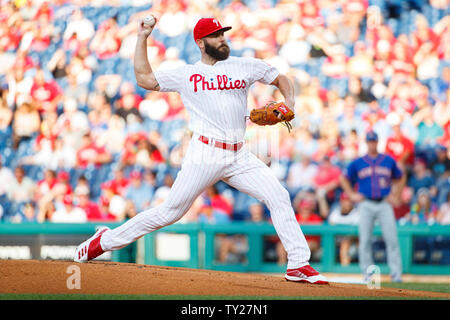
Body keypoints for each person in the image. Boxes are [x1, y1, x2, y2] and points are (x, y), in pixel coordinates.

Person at [74, 16, 328, 284]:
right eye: (216, 35)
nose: (222, 38)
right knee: (169, 212)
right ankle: (105, 241)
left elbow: (280, 78)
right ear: (200, 43)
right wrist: (142, 38)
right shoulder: (187, 74)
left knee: (278, 195)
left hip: (239, 154)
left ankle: (298, 263)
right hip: (205, 153)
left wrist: (289, 101)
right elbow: (145, 79)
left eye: (223, 33)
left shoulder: (244, 66)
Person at [340, 131, 405, 283]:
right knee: (365, 240)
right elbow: (344, 178)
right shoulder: (359, 162)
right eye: (369, 141)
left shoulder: (388, 160)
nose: (372, 144)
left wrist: (396, 194)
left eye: (374, 141)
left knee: (392, 239)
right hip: (366, 203)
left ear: (377, 142)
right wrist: (351, 194)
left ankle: (396, 274)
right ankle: (367, 274)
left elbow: (400, 177)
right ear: (366, 143)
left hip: (384, 202)